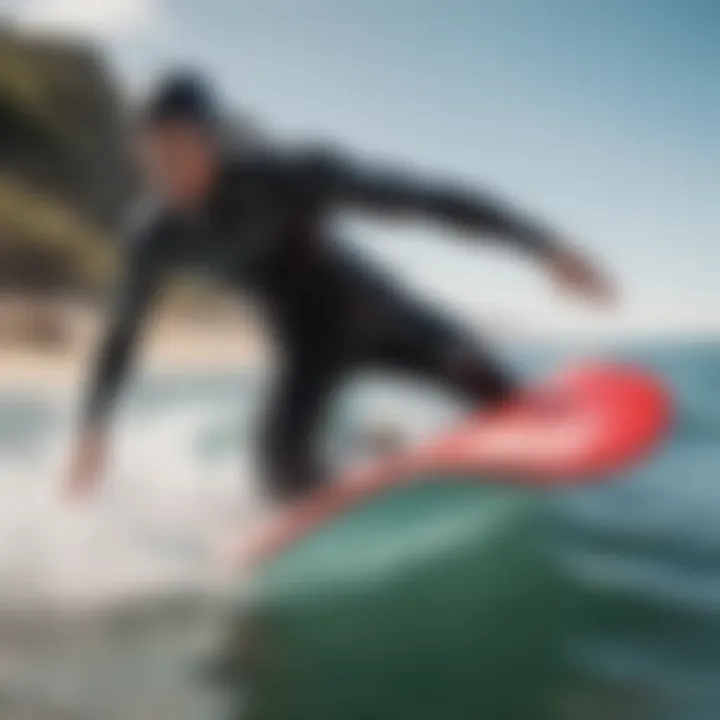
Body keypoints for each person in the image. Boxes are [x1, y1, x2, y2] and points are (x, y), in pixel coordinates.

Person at [65, 72, 614, 503]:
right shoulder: (155, 238)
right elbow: (121, 335)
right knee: (279, 475)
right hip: (307, 347)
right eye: (152, 151)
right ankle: (367, 452)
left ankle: (391, 436)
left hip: (383, 317)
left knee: (498, 394)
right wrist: (95, 426)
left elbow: (424, 199)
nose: (166, 166)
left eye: (177, 146)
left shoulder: (283, 175)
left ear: (209, 137)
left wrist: (542, 246)